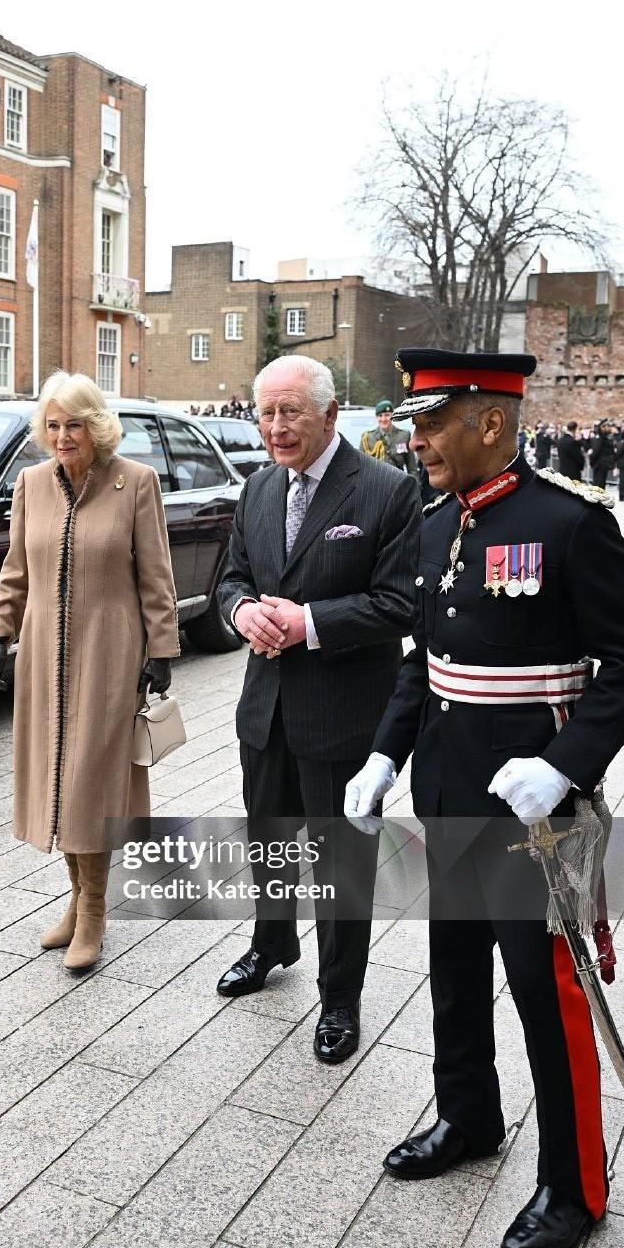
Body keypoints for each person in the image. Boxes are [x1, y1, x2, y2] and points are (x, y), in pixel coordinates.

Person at [345, 348, 624, 1248]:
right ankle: (468, 1116)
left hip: (531, 812)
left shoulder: (570, 524)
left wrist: (562, 764)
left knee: (543, 993)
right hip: (449, 786)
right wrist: (382, 756)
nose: (418, 439)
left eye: (434, 421)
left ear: (491, 421)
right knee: (453, 968)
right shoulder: (439, 522)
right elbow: (425, 661)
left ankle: (575, 1185)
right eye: (415, 423)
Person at [215, 355, 420, 1064]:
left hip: (344, 716)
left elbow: (401, 603)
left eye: (290, 412)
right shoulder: (257, 489)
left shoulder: (389, 492)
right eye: (266, 413)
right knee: (268, 844)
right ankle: (272, 941)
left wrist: (309, 621)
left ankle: (340, 997)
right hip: (265, 710)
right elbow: (232, 579)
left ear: (331, 414)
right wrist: (242, 611)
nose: (276, 427)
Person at [0, 371, 179, 970]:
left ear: (97, 427)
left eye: (75, 424)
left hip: (109, 652)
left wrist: (161, 648)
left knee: (92, 779)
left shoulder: (134, 483)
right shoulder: (31, 485)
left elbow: (156, 573)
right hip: (43, 654)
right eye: (54, 425)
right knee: (55, 780)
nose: (63, 436)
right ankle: (75, 897)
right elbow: (17, 569)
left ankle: (94, 908)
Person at [360, 398, 416, 472]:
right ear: (376, 417)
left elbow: (412, 468)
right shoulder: (367, 438)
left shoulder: (404, 436)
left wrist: (415, 483)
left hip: (398, 481)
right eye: (380, 416)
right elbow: (361, 466)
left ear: (392, 416)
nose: (383, 419)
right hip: (375, 482)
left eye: (387, 415)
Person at [589, 420, 615, 490]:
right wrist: (592, 463)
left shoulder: (605, 437)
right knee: (598, 486)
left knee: (601, 485)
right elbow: (595, 452)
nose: (609, 428)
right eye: (606, 426)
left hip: (603, 465)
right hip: (599, 465)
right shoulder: (599, 438)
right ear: (602, 428)